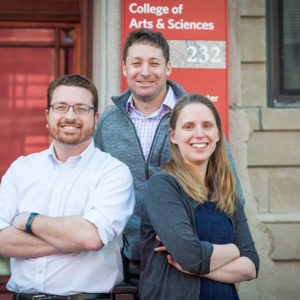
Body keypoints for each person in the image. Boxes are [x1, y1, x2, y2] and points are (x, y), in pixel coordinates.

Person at [93, 28, 245, 286]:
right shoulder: (108, 124)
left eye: (154, 63)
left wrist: (228, 248)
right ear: (124, 68)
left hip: (196, 258)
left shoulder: (194, 117)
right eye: (136, 63)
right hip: (133, 262)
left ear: (168, 67)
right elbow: (95, 189)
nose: (145, 71)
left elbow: (227, 185)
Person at [0, 74, 135, 299]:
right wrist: (71, 240)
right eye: (61, 107)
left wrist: (29, 220)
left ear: (95, 118)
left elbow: (90, 237)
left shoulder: (113, 172)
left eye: (81, 108)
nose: (70, 116)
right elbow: (2, 240)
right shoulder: (20, 170)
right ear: (48, 115)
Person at [139, 94, 259, 300]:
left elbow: (251, 266)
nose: (199, 134)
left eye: (207, 125)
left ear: (218, 134)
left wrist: (196, 265)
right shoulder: (163, 186)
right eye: (188, 127)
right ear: (173, 136)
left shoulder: (226, 189)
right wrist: (233, 249)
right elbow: (191, 257)